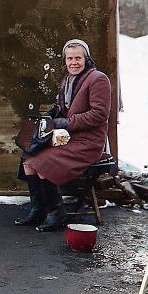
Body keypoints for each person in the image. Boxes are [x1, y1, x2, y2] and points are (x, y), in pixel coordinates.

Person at [14, 38, 111, 232]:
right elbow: (62, 107)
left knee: (43, 163)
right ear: (64, 61)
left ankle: (56, 214)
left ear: (87, 59)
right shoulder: (68, 79)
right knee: (28, 158)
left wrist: (66, 122)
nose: (73, 62)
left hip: (89, 142)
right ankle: (38, 209)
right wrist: (51, 115)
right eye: (69, 58)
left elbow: (99, 115)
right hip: (69, 137)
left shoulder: (98, 79)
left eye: (78, 58)